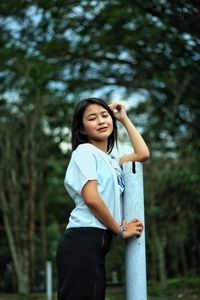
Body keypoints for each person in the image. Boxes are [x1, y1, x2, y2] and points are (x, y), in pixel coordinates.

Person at [56, 97, 149, 300]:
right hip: (82, 239)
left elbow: (142, 153)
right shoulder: (84, 152)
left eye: (105, 116)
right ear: (82, 129)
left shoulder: (114, 162)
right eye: (92, 118)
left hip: (96, 242)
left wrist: (123, 119)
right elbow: (91, 198)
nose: (101, 121)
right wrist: (121, 230)